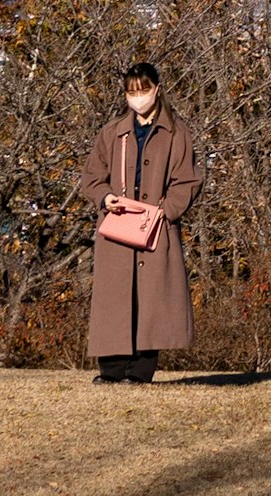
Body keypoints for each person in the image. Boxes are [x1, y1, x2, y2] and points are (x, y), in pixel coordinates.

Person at [75, 60, 199, 382]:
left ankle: (140, 372)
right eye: (132, 92)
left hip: (156, 227)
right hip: (117, 227)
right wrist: (105, 197)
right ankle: (111, 371)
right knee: (114, 299)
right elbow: (90, 177)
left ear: (157, 90)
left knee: (151, 301)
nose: (138, 97)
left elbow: (187, 181)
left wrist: (166, 211)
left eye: (143, 90)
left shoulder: (178, 133)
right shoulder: (112, 133)